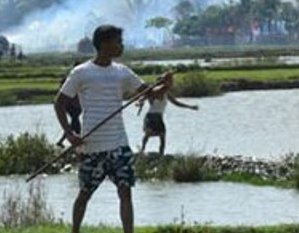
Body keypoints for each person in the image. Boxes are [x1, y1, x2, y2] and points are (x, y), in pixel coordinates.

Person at [55, 24, 171, 233]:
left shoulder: (122, 72)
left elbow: (150, 93)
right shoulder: (81, 73)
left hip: (119, 144)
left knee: (125, 192)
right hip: (92, 147)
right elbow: (59, 103)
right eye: (118, 41)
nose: (121, 46)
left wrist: (166, 86)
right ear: (105, 44)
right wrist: (70, 134)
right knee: (84, 194)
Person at [136, 81, 199, 155]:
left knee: (162, 135)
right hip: (151, 116)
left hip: (159, 117)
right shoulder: (153, 93)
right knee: (149, 133)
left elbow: (176, 103)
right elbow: (142, 98)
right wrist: (139, 102)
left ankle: (161, 155)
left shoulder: (167, 94)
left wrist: (190, 107)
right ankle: (142, 150)